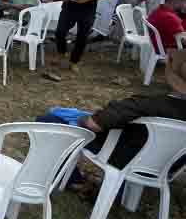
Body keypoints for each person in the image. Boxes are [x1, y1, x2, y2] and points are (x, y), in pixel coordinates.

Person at [39, 50, 186, 187]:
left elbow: (93, 124)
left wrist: (80, 118)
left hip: (124, 156)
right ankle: (121, 191)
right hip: (165, 167)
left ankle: (74, 181)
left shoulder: (146, 104)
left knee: (48, 120)